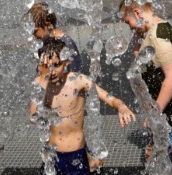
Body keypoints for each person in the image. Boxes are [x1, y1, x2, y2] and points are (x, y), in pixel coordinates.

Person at [29, 38, 136, 175]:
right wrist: (43, 81)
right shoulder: (40, 84)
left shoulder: (78, 81)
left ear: (67, 61)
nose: (52, 72)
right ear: (41, 66)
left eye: (57, 65)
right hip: (51, 155)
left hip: (76, 154)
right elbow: (33, 117)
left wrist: (122, 107)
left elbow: (109, 98)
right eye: (48, 67)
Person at [118, 0, 172, 174]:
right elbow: (140, 58)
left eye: (128, 22)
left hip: (170, 105)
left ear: (137, 13)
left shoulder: (158, 37)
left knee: (168, 152)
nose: (129, 27)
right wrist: (137, 34)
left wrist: (154, 111)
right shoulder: (157, 27)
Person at [28, 2, 83, 74]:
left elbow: (74, 75)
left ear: (48, 25)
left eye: (34, 31)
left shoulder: (66, 44)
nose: (32, 35)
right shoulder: (45, 44)